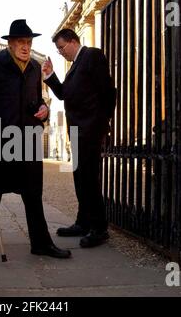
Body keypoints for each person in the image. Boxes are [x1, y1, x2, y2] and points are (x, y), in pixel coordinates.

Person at [0, 19, 71, 259]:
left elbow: (36, 101)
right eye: (21, 42)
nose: (26, 46)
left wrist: (44, 109)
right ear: (11, 44)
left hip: (28, 141)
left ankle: (41, 243)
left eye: (29, 42)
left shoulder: (35, 68)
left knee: (33, 193)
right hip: (1, 140)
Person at [42, 28, 116, 248]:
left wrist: (102, 124)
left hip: (90, 129)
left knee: (90, 178)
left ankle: (99, 228)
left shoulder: (92, 56)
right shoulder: (74, 66)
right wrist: (50, 76)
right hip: (77, 131)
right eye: (58, 50)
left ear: (73, 41)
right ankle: (83, 222)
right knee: (79, 178)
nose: (61, 52)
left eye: (62, 48)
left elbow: (108, 92)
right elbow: (65, 93)